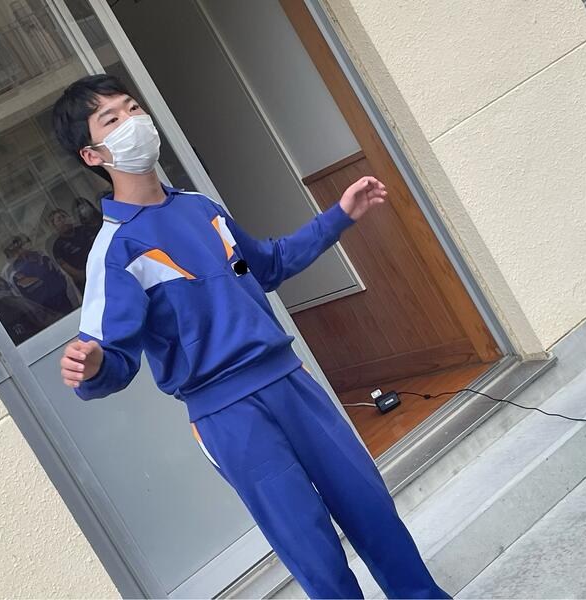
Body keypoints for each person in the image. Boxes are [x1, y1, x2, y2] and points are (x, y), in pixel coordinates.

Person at [52, 74, 450, 599]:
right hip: (228, 416)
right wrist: (91, 367)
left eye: (132, 107)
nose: (133, 121)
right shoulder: (115, 250)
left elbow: (267, 265)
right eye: (112, 119)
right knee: (311, 547)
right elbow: (110, 358)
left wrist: (339, 216)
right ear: (92, 155)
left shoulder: (201, 208)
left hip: (291, 383)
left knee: (371, 508)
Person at [47, 207, 98, 289]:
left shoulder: (85, 229)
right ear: (54, 226)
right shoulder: (58, 247)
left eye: (64, 217)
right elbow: (76, 274)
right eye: (59, 219)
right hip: (88, 283)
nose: (63, 220)